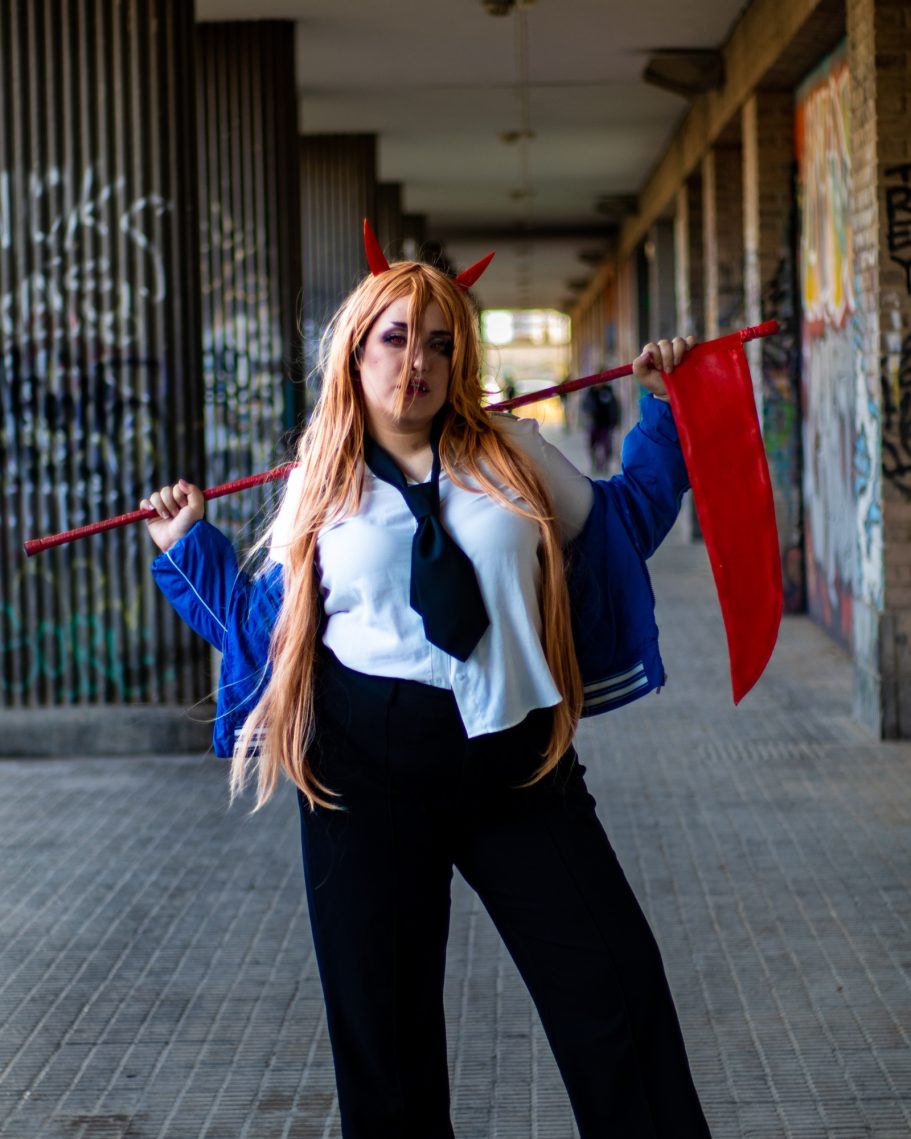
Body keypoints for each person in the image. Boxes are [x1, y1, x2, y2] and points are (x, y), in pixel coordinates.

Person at [142, 246, 710, 1139]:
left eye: (439, 345)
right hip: (361, 778)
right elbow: (261, 629)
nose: (416, 364)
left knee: (614, 997)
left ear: (460, 362)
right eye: (395, 338)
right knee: (387, 1048)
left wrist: (664, 411)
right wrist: (188, 549)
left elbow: (623, 521)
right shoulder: (316, 482)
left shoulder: (514, 452)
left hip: (517, 771)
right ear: (356, 351)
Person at [583, 381, 621, 472]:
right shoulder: (590, 392)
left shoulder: (608, 391)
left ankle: (605, 466)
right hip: (594, 424)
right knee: (592, 445)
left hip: (606, 424)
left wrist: (616, 421)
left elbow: (615, 407)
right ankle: (595, 465)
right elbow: (585, 406)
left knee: (606, 445)